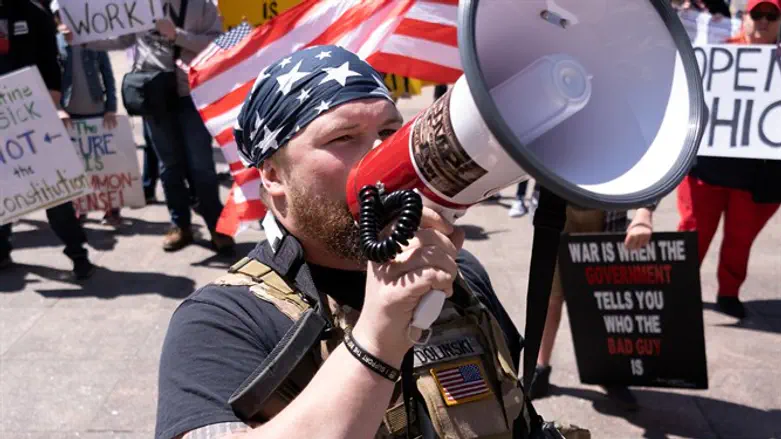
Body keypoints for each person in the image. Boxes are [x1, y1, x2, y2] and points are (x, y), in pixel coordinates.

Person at [154, 46, 576, 439]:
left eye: (390, 131)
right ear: (273, 175)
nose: (378, 152)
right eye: (343, 137)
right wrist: (376, 342)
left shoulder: (459, 275)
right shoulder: (223, 320)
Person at [59, 0, 234, 254]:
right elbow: (122, 40)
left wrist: (177, 35)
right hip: (154, 95)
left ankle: (218, 227)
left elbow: (219, 44)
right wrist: (83, 40)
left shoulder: (202, 5)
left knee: (202, 166)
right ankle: (180, 225)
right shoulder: (140, 5)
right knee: (169, 166)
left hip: (192, 96)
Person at [677, 0, 781, 320]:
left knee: (740, 240)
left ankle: (729, 292)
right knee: (691, 235)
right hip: (706, 171)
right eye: (757, 14)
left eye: (772, 15)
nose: (763, 21)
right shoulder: (718, 54)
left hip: (754, 178)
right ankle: (679, 291)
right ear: (745, 18)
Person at [528, 203, 657, 411]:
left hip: (607, 210)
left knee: (604, 297)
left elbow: (651, 179)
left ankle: (607, 372)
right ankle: (540, 369)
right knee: (550, 296)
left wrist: (644, 212)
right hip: (556, 204)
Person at [0, 0, 95, 279]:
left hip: (34, 116)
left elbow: (51, 63)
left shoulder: (33, 13)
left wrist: (54, 105)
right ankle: (1, 251)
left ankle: (78, 253)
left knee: (53, 191)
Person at [50, 0, 121, 226]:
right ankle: (81, 206)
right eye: (61, 16)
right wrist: (58, 109)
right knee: (76, 165)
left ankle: (111, 207)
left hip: (96, 110)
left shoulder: (95, 41)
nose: (66, 20)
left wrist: (111, 108)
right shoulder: (55, 43)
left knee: (103, 164)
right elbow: (51, 78)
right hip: (70, 113)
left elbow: (107, 76)